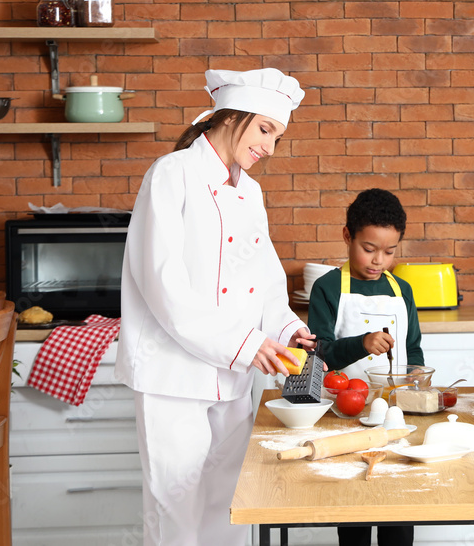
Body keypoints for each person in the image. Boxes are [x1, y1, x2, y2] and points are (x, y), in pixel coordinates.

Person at [116, 68, 317, 546]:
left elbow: (265, 280)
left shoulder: (250, 190)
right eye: (265, 129)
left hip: (232, 379)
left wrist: (286, 329)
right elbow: (163, 284)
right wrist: (246, 344)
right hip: (173, 377)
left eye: (278, 136)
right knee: (176, 514)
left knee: (227, 505)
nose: (270, 147)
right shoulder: (173, 173)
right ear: (231, 117)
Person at [307, 188, 423, 546]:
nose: (379, 261)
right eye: (369, 249)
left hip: (396, 414)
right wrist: (361, 343)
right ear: (347, 236)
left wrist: (418, 375)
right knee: (355, 509)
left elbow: (413, 349)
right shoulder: (327, 288)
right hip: (346, 414)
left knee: (398, 509)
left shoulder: (401, 289)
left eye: (389, 251)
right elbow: (319, 353)